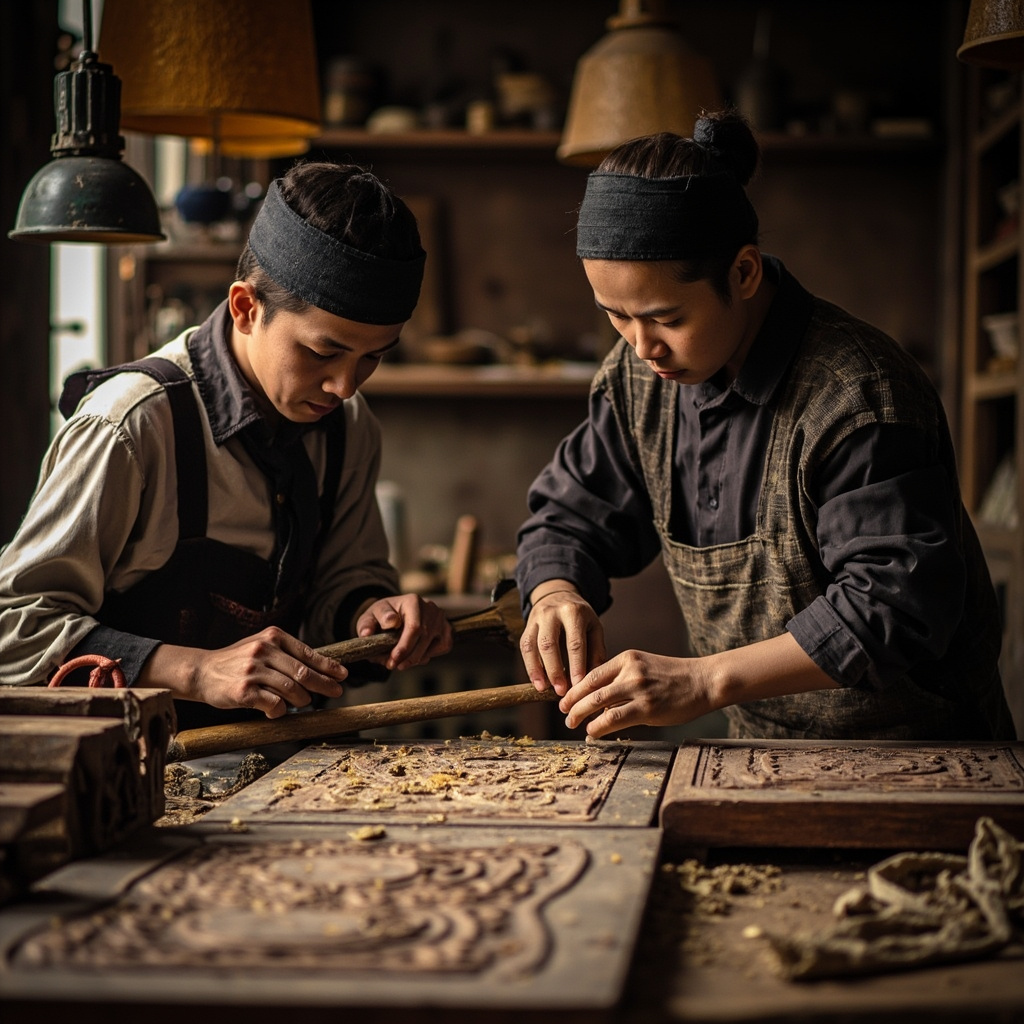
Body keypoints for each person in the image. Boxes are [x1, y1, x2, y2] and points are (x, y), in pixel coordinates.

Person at [515, 110, 1015, 743]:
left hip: (918, 750)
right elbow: (571, 515)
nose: (642, 347)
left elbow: (893, 604)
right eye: (616, 315)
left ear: (744, 273)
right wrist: (555, 593)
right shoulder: (637, 379)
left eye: (667, 318)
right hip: (759, 749)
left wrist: (704, 682)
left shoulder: (858, 394)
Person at [0, 161, 452, 729]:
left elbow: (342, 580)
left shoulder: (349, 427)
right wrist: (196, 671)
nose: (344, 386)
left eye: (372, 358)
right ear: (245, 308)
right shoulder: (132, 425)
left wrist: (371, 613)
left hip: (274, 761)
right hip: (125, 762)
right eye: (323, 352)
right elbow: (14, 629)